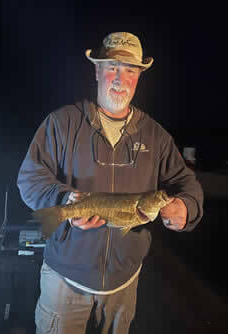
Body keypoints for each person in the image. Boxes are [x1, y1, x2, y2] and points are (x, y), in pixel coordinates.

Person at [17, 32, 203, 334]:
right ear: (96, 70)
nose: (120, 78)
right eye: (112, 67)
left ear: (139, 76)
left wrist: (186, 207)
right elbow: (29, 178)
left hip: (124, 284)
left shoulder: (156, 136)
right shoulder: (61, 123)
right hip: (64, 278)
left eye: (130, 70)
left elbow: (187, 183)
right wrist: (65, 201)